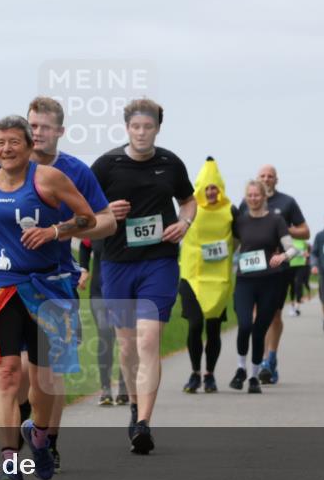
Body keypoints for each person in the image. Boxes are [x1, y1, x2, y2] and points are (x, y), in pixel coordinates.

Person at [0, 97, 116, 472]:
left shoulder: (70, 172)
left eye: (41, 128)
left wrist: (55, 232)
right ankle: (7, 460)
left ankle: (45, 438)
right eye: (31, 125)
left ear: (55, 133)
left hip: (52, 283)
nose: (35, 132)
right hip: (3, 284)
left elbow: (102, 222)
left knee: (46, 376)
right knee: (7, 372)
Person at [91, 98, 196, 454]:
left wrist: (184, 222)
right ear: (126, 128)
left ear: (157, 129)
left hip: (159, 261)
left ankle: (144, 423)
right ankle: (134, 405)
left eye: (147, 127)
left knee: (149, 341)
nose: (141, 133)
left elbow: (189, 200)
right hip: (118, 263)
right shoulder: (106, 165)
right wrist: (104, 210)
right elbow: (82, 207)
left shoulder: (170, 162)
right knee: (127, 345)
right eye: (135, 127)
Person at [238, 165, 309, 385]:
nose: (266, 179)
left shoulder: (287, 202)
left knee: (274, 316)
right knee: (254, 316)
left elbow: (305, 231)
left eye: (270, 176)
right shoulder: (246, 203)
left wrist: (281, 230)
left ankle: (271, 358)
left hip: (278, 270)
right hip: (250, 271)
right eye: (263, 176)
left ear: (276, 180)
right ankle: (257, 364)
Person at [228, 180, 300, 394]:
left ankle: (253, 376)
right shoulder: (239, 222)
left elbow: (293, 249)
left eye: (256, 195)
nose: (253, 198)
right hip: (245, 281)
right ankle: (240, 368)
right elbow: (230, 247)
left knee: (259, 330)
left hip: (270, 281)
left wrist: (282, 256)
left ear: (263, 197)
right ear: (245, 197)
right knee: (244, 325)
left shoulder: (276, 220)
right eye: (249, 195)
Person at [178, 157, 233, 394]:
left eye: (215, 188)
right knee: (194, 325)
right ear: (200, 189)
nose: (211, 192)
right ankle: (194, 373)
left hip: (217, 279)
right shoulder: (190, 208)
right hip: (191, 275)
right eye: (207, 188)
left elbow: (245, 233)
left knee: (212, 329)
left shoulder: (230, 210)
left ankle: (209, 374)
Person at [78, 238, 128, 405]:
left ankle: (123, 387)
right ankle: (105, 388)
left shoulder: (128, 226)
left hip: (125, 293)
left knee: (125, 339)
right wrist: (84, 268)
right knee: (105, 333)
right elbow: (85, 245)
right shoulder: (99, 224)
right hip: (99, 292)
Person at [286, 238, 308, 317]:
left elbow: (306, 252)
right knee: (292, 285)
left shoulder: (302, 241)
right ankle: (292, 305)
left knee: (298, 284)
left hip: (301, 265)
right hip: (291, 265)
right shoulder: (289, 240)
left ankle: (297, 306)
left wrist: (305, 254)